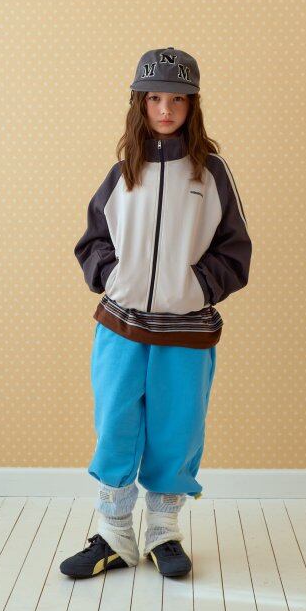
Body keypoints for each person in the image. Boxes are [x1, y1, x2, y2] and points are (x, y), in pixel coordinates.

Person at [60, 46, 252, 580]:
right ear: (139, 103)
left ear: (193, 105)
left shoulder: (210, 173)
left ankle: (163, 533)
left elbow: (235, 251)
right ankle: (114, 535)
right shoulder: (124, 171)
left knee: (177, 428)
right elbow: (92, 241)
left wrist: (195, 286)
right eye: (155, 98)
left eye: (177, 99)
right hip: (121, 327)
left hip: (186, 332)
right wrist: (113, 277)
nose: (166, 109)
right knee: (116, 424)